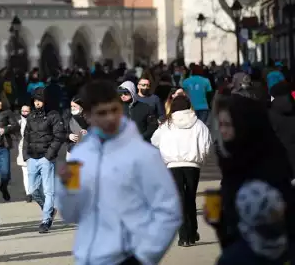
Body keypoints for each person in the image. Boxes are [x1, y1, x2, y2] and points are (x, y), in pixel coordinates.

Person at [56, 80, 182, 265]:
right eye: (101, 113)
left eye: (113, 110)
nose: (109, 118)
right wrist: (66, 189)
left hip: (128, 257)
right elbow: (70, 213)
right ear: (89, 115)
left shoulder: (143, 155)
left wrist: (145, 256)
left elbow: (169, 209)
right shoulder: (80, 156)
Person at [210, 94, 295, 264]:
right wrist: (219, 221)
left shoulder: (267, 163)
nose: (223, 131)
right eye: (221, 125)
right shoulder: (232, 158)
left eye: (228, 125)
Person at [151, 95, 212, 247]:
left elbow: (154, 140)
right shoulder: (198, 124)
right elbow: (207, 144)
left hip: (172, 165)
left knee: (179, 199)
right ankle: (193, 232)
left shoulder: (167, 125)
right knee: (190, 198)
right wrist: (201, 160)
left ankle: (183, 236)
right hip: (193, 165)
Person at [23, 87, 67, 233]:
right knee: (33, 190)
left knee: (49, 191)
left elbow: (59, 135)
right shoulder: (30, 117)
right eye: (35, 100)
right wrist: (26, 156)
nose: (37, 103)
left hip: (46, 158)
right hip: (32, 158)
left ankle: (46, 220)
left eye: (40, 100)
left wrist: (49, 155)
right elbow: (26, 137)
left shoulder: (54, 115)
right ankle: (49, 210)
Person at [0, 92, 20, 203]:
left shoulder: (6, 112)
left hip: (3, 147)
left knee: (5, 173)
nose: (0, 103)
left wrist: (5, 129)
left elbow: (15, 125)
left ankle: (3, 187)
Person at [16, 104, 33, 202]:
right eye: (23, 111)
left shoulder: (35, 121)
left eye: (27, 111)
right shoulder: (18, 123)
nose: (25, 113)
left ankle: (35, 191)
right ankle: (28, 193)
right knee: (25, 173)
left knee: (35, 172)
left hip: (34, 149)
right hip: (22, 149)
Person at [65, 96, 88, 160]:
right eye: (71, 106)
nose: (72, 108)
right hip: (71, 151)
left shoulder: (89, 117)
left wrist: (87, 132)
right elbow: (60, 133)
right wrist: (69, 136)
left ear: (81, 106)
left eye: (75, 106)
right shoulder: (67, 117)